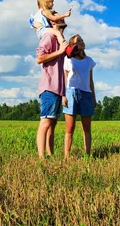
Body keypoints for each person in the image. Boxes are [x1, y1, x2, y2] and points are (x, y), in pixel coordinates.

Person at [35, 20, 68, 160]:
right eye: (59, 17)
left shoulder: (60, 40)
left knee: (52, 124)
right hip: (49, 86)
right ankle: (42, 158)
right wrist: (60, 51)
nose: (63, 18)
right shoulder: (48, 37)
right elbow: (39, 58)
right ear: (52, 21)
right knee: (46, 122)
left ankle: (50, 155)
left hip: (58, 88)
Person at [62, 34, 97, 158]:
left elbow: (90, 80)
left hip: (86, 94)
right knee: (70, 128)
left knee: (86, 128)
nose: (82, 42)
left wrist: (94, 97)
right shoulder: (67, 60)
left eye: (82, 40)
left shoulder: (89, 61)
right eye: (78, 41)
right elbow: (64, 79)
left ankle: (87, 155)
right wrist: (63, 95)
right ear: (73, 45)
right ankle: (66, 157)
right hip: (71, 93)